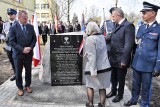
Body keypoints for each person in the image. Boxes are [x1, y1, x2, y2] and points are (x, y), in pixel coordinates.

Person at [124, 2, 160, 107]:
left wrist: (158, 66)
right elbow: (137, 44)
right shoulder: (142, 27)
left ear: (153, 13)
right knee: (135, 85)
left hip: (148, 65)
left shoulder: (158, 29)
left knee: (146, 87)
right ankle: (133, 100)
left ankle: (144, 104)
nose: (142, 14)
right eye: (142, 12)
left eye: (145, 12)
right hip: (137, 63)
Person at [106, 8, 135, 102]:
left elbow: (128, 44)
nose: (112, 18)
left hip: (121, 58)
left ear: (118, 15)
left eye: (113, 16)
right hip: (113, 56)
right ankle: (113, 91)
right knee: (113, 77)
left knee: (121, 78)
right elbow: (113, 38)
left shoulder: (128, 26)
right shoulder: (116, 25)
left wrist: (124, 60)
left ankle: (120, 95)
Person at [84, 21, 111, 107]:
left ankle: (91, 104)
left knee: (90, 86)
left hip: (94, 68)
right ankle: (102, 104)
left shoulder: (89, 39)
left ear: (89, 29)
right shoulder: (102, 37)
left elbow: (92, 56)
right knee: (102, 87)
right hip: (105, 67)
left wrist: (93, 71)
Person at [9, 10, 37, 96]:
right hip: (18, 54)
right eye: (24, 19)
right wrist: (22, 49)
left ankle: (27, 85)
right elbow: (12, 42)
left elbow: (34, 39)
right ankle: (20, 88)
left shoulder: (30, 27)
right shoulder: (13, 28)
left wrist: (31, 47)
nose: (26, 20)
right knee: (18, 72)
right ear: (19, 18)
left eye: (27, 18)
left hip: (28, 53)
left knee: (28, 70)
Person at [2, 8, 17, 81]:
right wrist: (3, 37)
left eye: (11, 14)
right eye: (8, 14)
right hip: (8, 47)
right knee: (11, 61)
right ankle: (15, 74)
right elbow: (3, 34)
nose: (10, 16)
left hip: (16, 47)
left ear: (15, 15)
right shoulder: (5, 24)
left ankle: (18, 74)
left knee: (17, 61)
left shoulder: (18, 23)